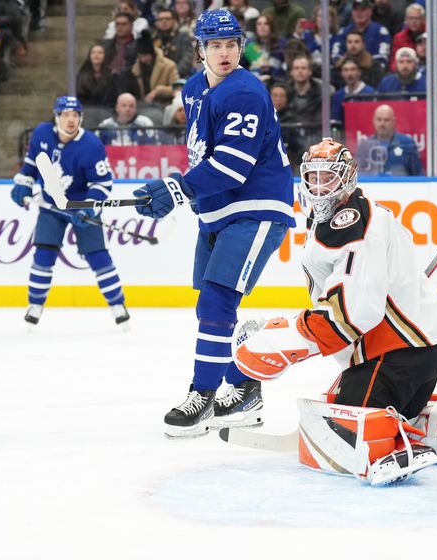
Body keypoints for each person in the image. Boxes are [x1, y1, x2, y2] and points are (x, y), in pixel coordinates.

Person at [231, 137, 437, 485]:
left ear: (347, 177)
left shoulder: (352, 226)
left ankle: (391, 448)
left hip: (399, 351)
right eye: (312, 177)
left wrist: (280, 339)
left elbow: (354, 314)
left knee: (343, 426)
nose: (318, 187)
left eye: (327, 178)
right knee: (360, 405)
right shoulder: (366, 212)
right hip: (425, 344)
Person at [131, 10, 295, 439]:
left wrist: (178, 190)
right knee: (210, 306)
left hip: (257, 207)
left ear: (241, 47)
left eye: (231, 45)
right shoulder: (193, 89)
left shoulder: (245, 91)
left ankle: (202, 397)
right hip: (217, 212)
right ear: (200, 49)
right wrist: (180, 191)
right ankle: (243, 389)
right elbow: (202, 156)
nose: (224, 53)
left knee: (219, 300)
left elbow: (232, 166)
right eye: (214, 45)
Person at [9, 96, 130, 327]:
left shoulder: (92, 146)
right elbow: (31, 166)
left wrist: (88, 207)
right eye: (66, 114)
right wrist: (23, 183)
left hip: (80, 207)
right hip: (51, 207)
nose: (71, 119)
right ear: (57, 117)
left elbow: (102, 184)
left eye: (75, 115)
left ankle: (117, 304)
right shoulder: (42, 134)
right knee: (43, 255)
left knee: (98, 257)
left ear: (81, 118)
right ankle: (35, 305)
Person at [357, 104, 422, 176]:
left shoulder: (407, 144)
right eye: (379, 120)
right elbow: (359, 174)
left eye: (386, 120)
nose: (382, 124)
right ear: (373, 121)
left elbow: (418, 174)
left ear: (394, 122)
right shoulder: (365, 146)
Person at [331, 0, 391, 70]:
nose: (359, 13)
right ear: (352, 12)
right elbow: (336, 59)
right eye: (356, 10)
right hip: (346, 74)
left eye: (363, 9)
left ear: (370, 11)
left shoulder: (380, 32)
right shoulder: (343, 32)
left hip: (371, 75)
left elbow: (381, 61)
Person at [331, 57, 375, 124]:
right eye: (346, 70)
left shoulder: (370, 93)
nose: (349, 74)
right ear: (341, 73)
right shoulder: (338, 96)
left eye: (353, 69)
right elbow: (336, 121)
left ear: (359, 72)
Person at [76, 43, 119, 108]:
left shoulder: (111, 75)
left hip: (106, 111)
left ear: (105, 56)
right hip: (87, 110)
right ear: (89, 56)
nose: (96, 55)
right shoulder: (81, 75)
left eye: (100, 53)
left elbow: (113, 98)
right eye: (93, 52)